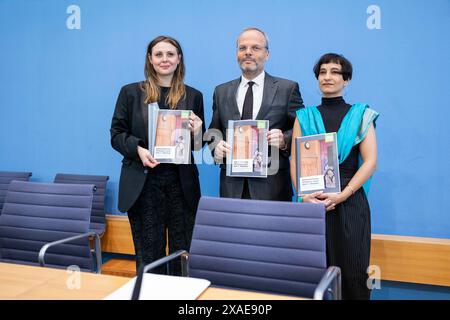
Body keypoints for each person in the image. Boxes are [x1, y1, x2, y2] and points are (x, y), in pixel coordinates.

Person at [110, 36, 205, 274]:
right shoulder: (131, 93)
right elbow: (116, 134)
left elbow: (197, 147)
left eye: (170, 54)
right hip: (144, 184)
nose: (165, 59)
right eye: (159, 54)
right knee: (148, 253)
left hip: (181, 185)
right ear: (150, 60)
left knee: (181, 252)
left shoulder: (193, 95)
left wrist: (199, 130)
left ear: (179, 59)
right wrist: (138, 150)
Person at [290, 53, 379, 300]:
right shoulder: (304, 116)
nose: (327, 77)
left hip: (350, 203)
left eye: (335, 72)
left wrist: (343, 195)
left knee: (353, 274)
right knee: (312, 276)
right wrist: (304, 196)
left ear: (346, 80)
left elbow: (370, 162)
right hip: (314, 205)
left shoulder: (361, 114)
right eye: (322, 72)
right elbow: (295, 161)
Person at [208, 27, 304, 200]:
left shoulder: (287, 89)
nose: (248, 53)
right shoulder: (221, 91)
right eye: (242, 48)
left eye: (255, 48)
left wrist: (284, 140)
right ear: (237, 53)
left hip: (273, 187)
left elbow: (303, 131)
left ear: (267, 54)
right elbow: (213, 132)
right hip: (232, 188)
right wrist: (216, 147)